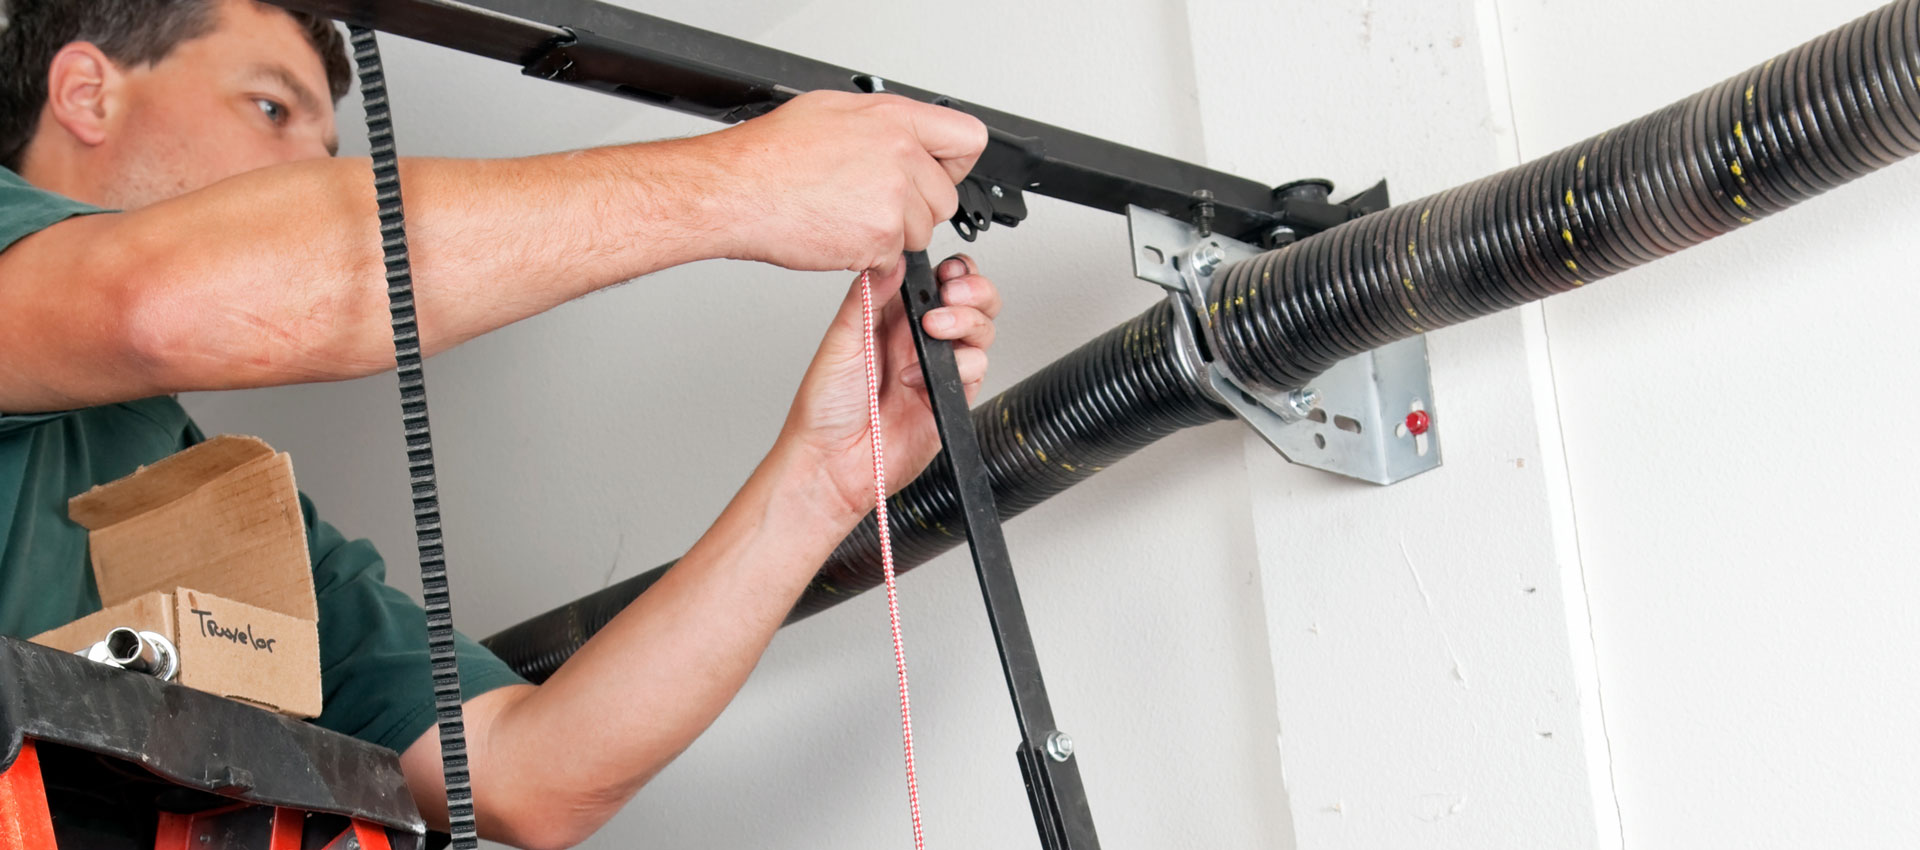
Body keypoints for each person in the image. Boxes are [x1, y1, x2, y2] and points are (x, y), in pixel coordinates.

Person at [0, 0, 1001, 846]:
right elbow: (162, 302)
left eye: (327, 147)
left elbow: (534, 770)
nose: (308, 165)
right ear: (88, 91)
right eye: (271, 107)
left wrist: (823, 475)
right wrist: (745, 182)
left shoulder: (219, 516)